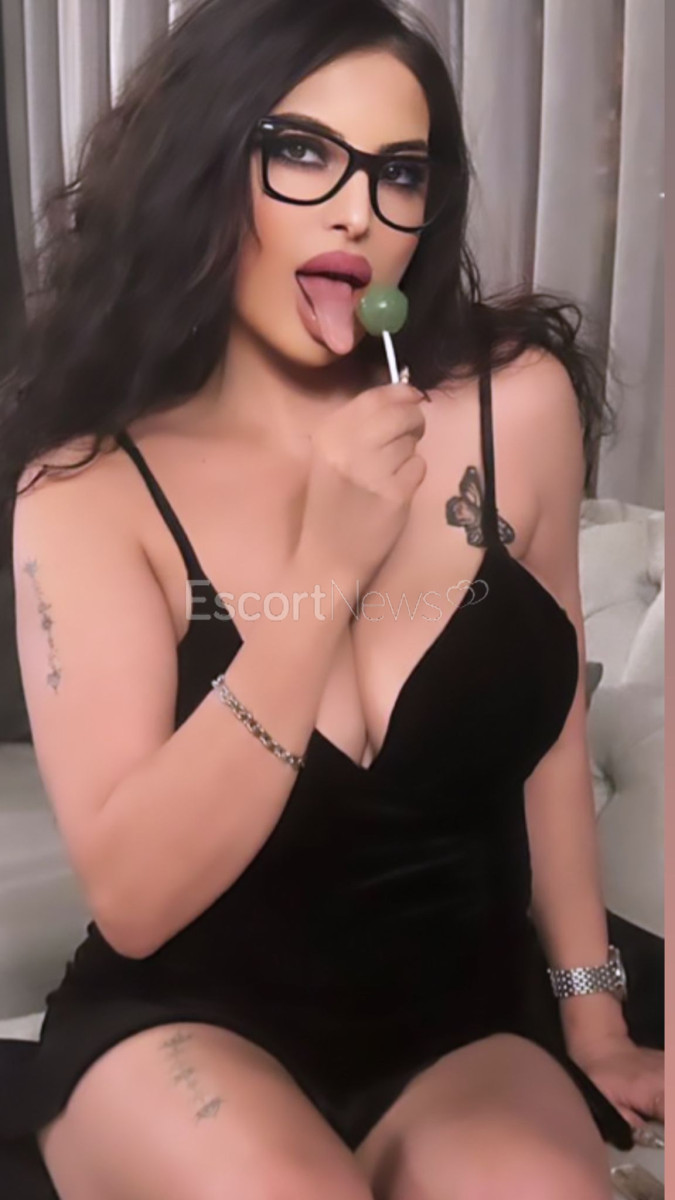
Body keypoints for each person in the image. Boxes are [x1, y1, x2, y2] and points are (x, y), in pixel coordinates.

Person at [0, 0, 664, 1196]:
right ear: (204, 166)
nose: (358, 209)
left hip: (462, 1022)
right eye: (302, 151)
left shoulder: (514, 406)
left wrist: (593, 1013)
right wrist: (324, 571)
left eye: (398, 172)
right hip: (185, 1021)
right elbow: (138, 900)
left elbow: (553, 735)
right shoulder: (89, 490)